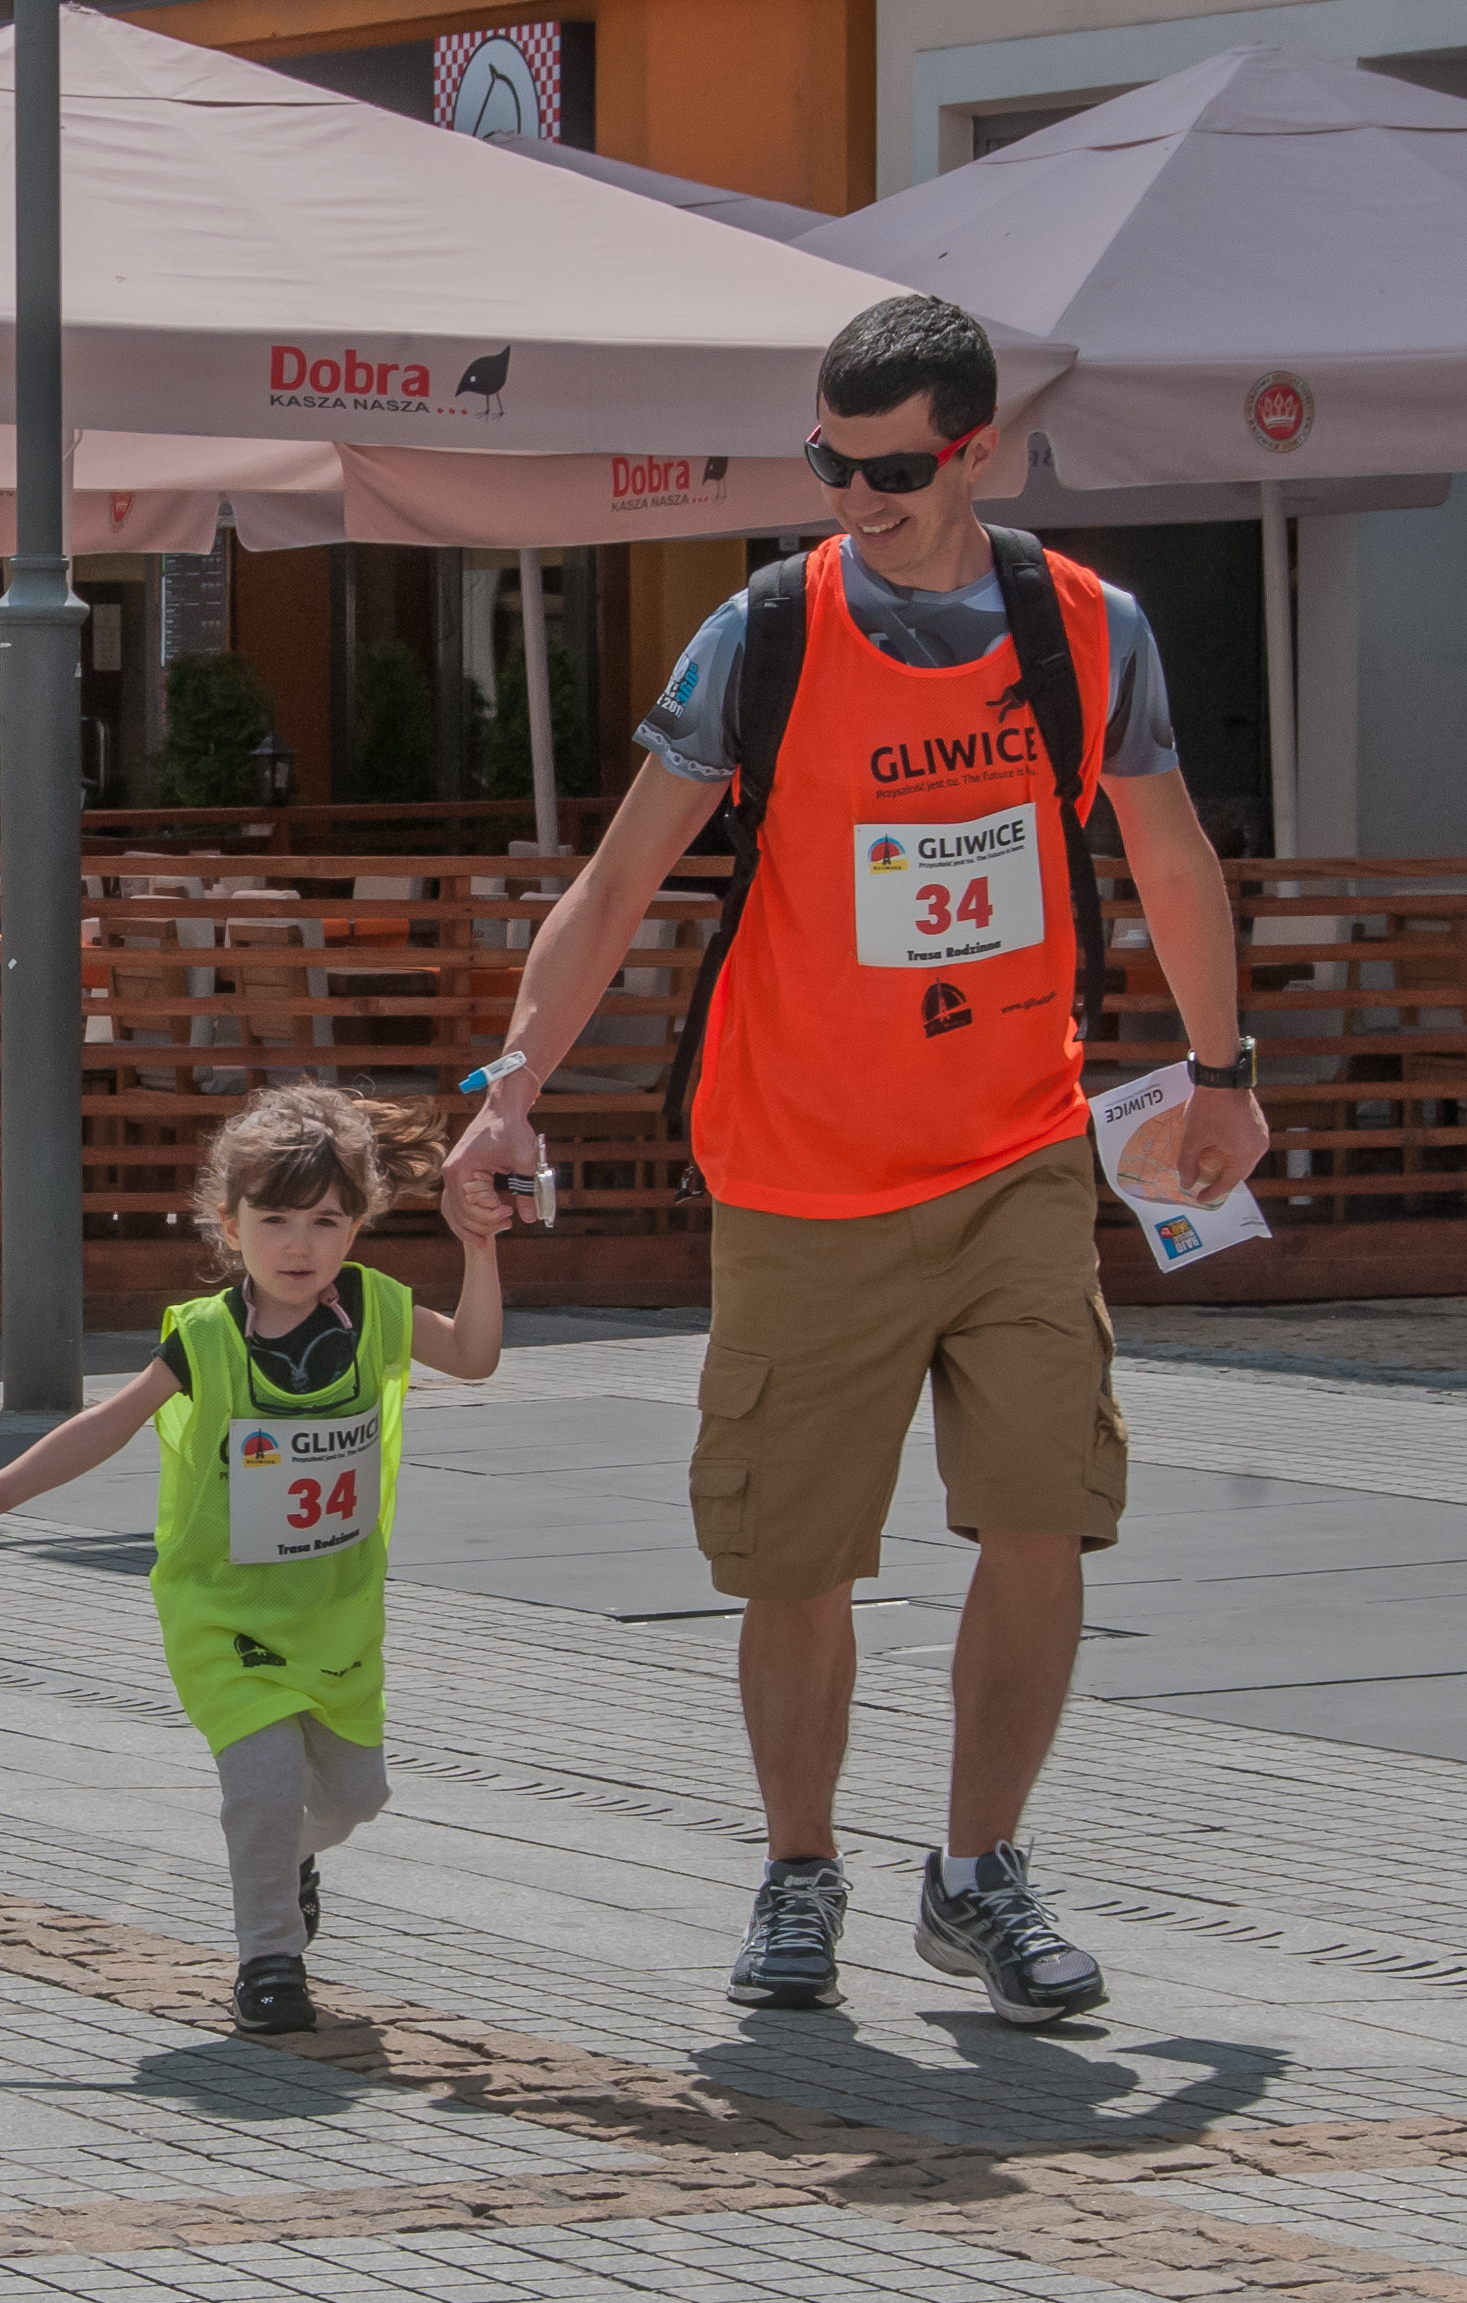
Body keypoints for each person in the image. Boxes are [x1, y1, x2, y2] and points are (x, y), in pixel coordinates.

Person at [445, 295, 1269, 2029]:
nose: (850, 493)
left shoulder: (1084, 629)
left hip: (1015, 1154)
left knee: (1044, 1510)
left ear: (970, 448)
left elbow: (1175, 864)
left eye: (887, 467)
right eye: (826, 457)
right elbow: (611, 886)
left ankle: (976, 1873)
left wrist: (1220, 1075)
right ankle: (796, 1870)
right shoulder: (757, 634)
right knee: (794, 1555)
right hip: (800, 1165)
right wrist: (512, 1080)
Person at [0, 1087, 506, 2037]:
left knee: (354, 1796)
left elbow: (472, 1353)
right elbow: (103, 1426)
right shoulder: (205, 1337)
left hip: (337, 1613)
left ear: (358, 1225)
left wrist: (479, 1245)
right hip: (224, 1614)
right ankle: (268, 1960)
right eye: (274, 1221)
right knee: (259, 1782)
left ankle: (284, 1857)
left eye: (325, 1221)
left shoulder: (378, 1311)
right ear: (229, 1225)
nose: (298, 1245)